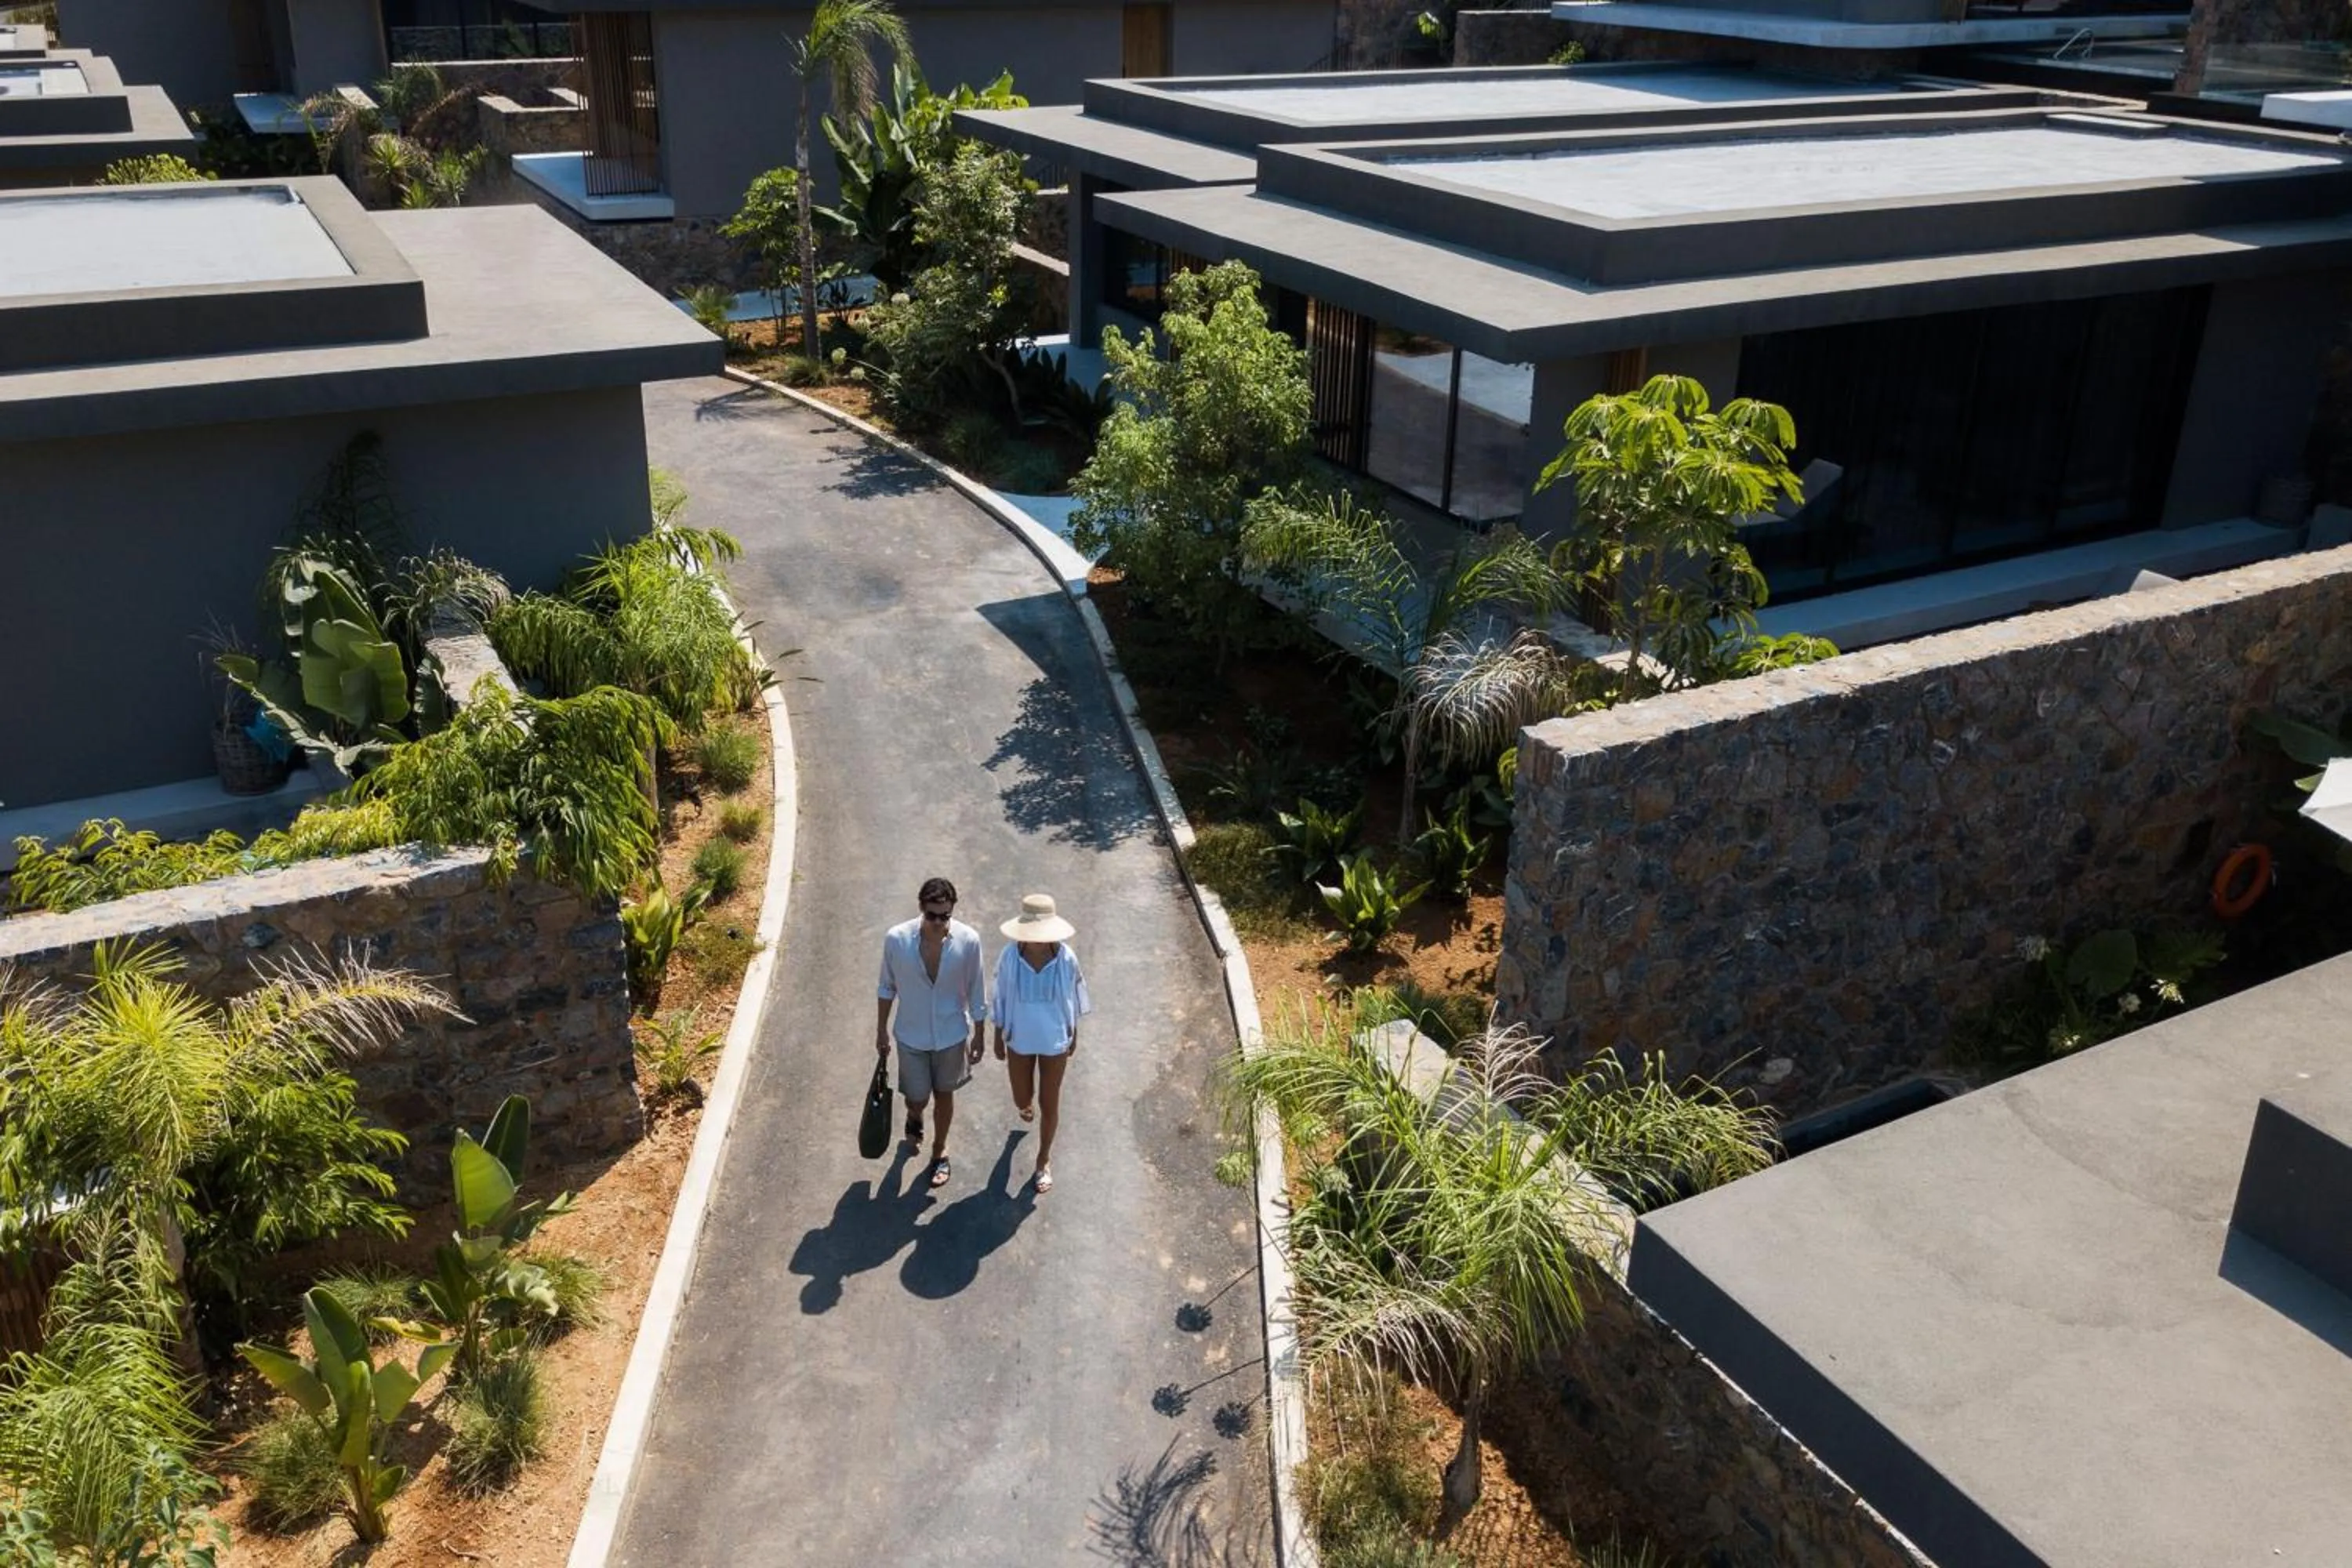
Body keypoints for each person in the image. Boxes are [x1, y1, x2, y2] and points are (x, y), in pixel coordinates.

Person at [876, 877, 986, 1189]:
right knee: (917, 1097)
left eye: (945, 916)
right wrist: (881, 1030)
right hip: (911, 1035)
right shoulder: (896, 939)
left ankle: (940, 1151)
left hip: (951, 1034)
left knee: (944, 1094)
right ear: (921, 908)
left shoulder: (969, 941)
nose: (939, 923)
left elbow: (977, 989)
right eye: (932, 915)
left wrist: (979, 1033)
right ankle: (915, 1116)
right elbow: (887, 986)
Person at [991, 893, 1092, 1195]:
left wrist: (1074, 1033)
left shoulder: (1066, 959)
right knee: (1022, 1098)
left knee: (1051, 1102)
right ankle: (1025, 1107)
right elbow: (999, 995)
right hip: (1018, 1039)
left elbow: (1074, 996)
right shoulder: (1010, 956)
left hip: (1055, 1042)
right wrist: (997, 1035)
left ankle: (1043, 1160)